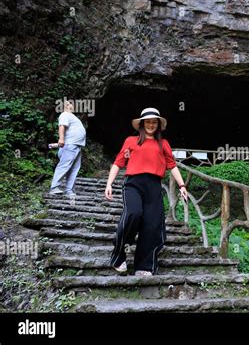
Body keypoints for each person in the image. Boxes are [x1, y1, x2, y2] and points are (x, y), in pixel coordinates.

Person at [105, 107, 188, 276]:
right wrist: (109, 184)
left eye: (154, 122)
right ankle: (119, 253)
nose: (151, 125)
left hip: (154, 186)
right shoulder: (131, 141)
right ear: (142, 124)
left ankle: (144, 265)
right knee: (133, 214)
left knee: (151, 225)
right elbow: (118, 163)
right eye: (148, 122)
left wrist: (182, 185)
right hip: (133, 184)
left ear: (158, 125)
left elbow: (172, 165)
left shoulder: (163, 144)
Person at [49, 100, 86, 197]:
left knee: (74, 168)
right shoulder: (65, 114)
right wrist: (61, 139)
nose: (72, 105)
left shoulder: (71, 116)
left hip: (76, 145)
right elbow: (62, 126)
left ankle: (69, 190)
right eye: (70, 104)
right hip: (70, 144)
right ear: (65, 106)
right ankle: (54, 187)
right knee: (64, 165)